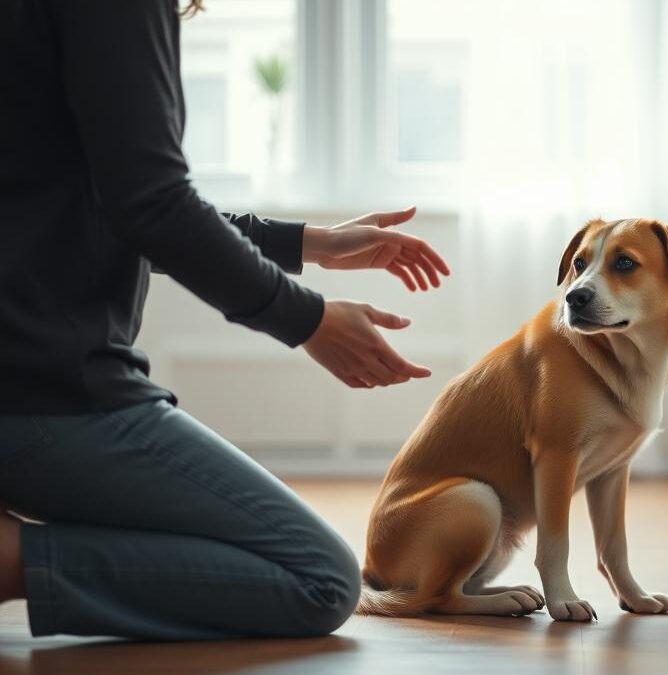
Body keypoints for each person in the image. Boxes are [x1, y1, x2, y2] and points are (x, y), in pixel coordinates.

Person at [0, 0, 449, 640]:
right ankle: (12, 563)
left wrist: (310, 244)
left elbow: (117, 203)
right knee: (320, 579)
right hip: (44, 393)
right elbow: (151, 206)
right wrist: (310, 321)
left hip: (25, 379)